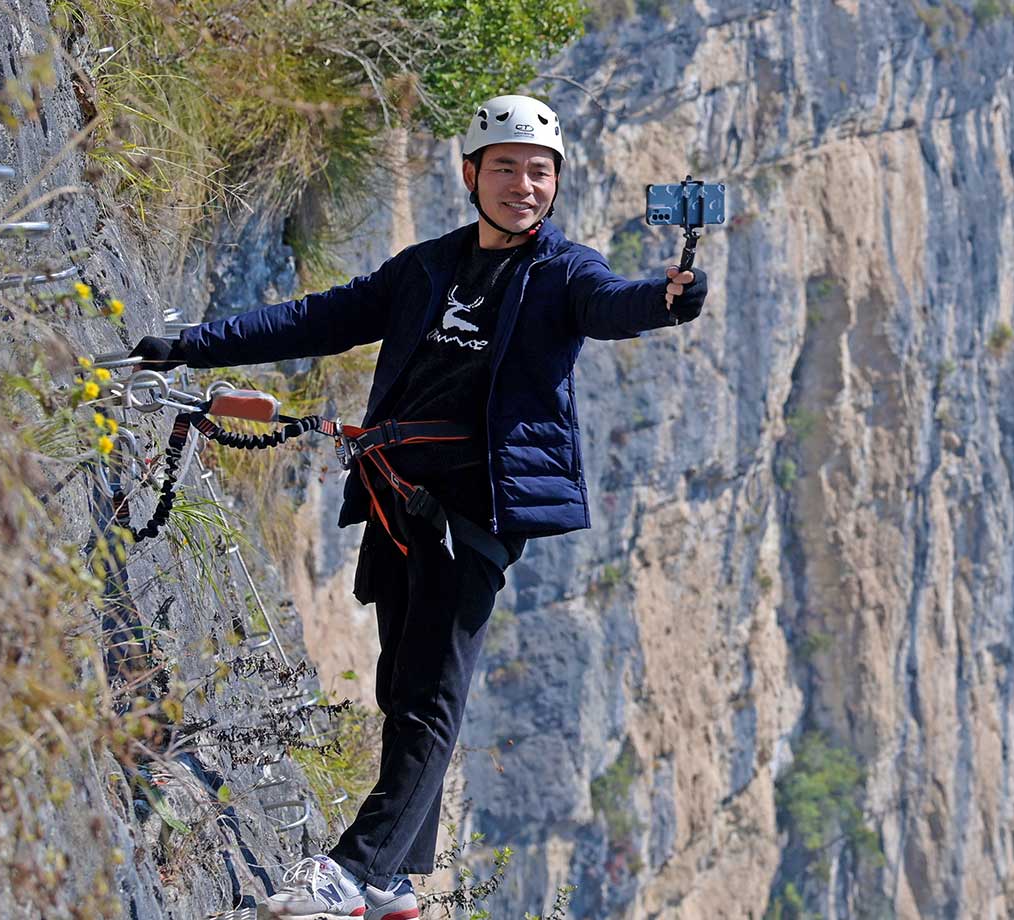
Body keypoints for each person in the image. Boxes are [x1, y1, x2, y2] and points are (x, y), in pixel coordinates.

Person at [128, 93, 710, 920]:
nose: (525, 186)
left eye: (540, 172)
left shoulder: (564, 274)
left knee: (433, 694)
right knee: (402, 690)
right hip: (396, 499)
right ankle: (396, 878)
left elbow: (617, 303)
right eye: (506, 168)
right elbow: (319, 317)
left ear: (556, 186)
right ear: (471, 175)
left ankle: (351, 870)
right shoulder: (427, 268)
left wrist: (668, 297)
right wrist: (191, 347)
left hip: (470, 515)